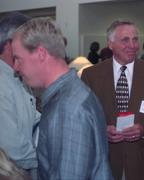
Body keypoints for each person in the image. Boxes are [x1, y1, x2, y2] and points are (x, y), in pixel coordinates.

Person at [12, 17, 113, 180]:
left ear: (41, 53)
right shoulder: (67, 97)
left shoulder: (69, 107)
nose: (15, 68)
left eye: (18, 58)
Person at [81, 20, 144, 180]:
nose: (132, 45)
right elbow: (82, 118)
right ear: (110, 44)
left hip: (143, 163)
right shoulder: (91, 76)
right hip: (104, 162)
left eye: (135, 39)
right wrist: (101, 131)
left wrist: (143, 129)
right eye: (125, 40)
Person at [0, 12, 40, 178]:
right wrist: (44, 160)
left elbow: (35, 117)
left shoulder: (16, 75)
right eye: (29, 42)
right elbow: (12, 146)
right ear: (10, 44)